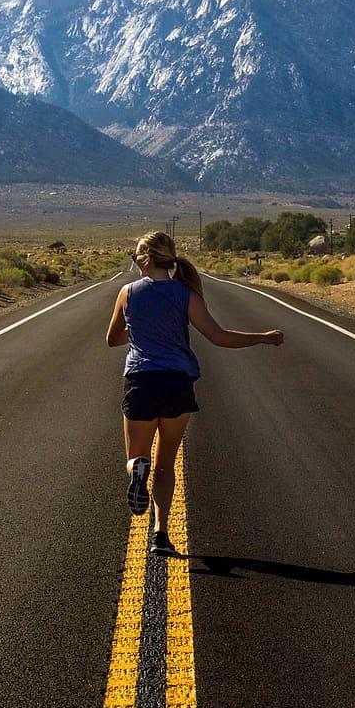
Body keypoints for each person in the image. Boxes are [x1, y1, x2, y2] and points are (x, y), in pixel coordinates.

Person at [106, 230, 284, 556]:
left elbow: (112, 338)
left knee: (137, 458)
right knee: (166, 464)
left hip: (141, 381)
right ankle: (161, 533)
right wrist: (263, 337)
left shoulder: (127, 293)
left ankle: (137, 471)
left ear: (145, 260)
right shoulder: (185, 294)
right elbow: (219, 336)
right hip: (177, 383)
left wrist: (144, 327)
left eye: (135, 258)